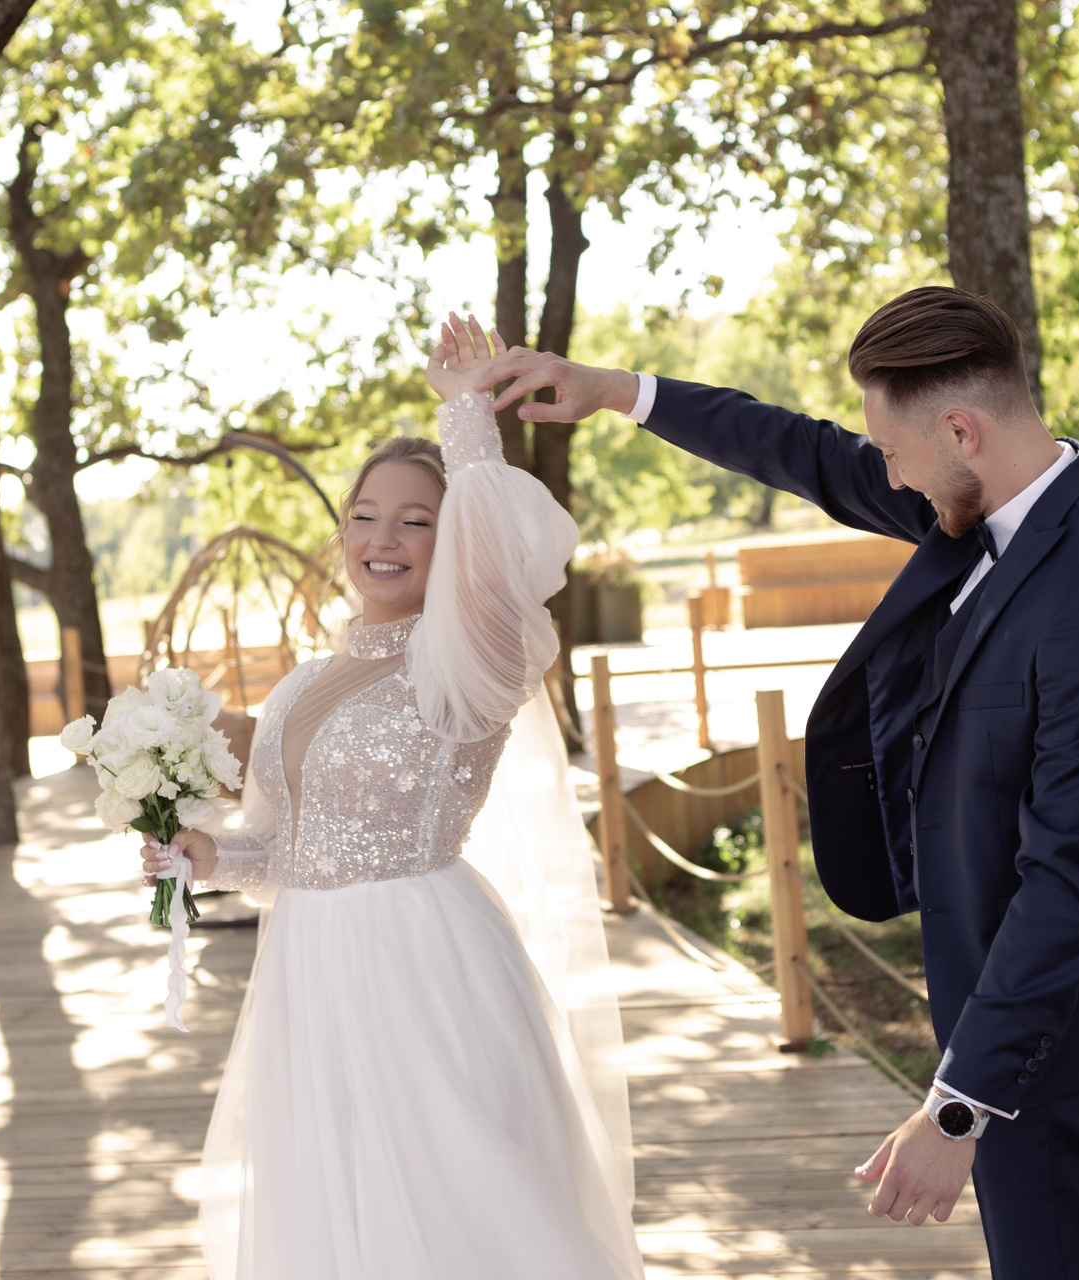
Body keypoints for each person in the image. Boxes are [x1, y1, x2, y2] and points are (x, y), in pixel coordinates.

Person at [476, 286, 1079, 1280]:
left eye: (892, 451)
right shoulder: (974, 494)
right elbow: (800, 450)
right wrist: (615, 390)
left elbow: (1067, 868)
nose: (885, 472)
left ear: (961, 430)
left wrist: (959, 1105)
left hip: (1042, 1021)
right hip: (988, 989)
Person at [143, 315, 643, 1280]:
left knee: (461, 1200)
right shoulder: (303, 683)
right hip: (311, 972)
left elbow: (501, 563)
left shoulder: (465, 663)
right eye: (365, 515)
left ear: (454, 538)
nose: (383, 538)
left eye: (417, 520)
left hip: (420, 960)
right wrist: (209, 856)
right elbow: (288, 853)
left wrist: (467, 417)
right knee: (343, 1211)